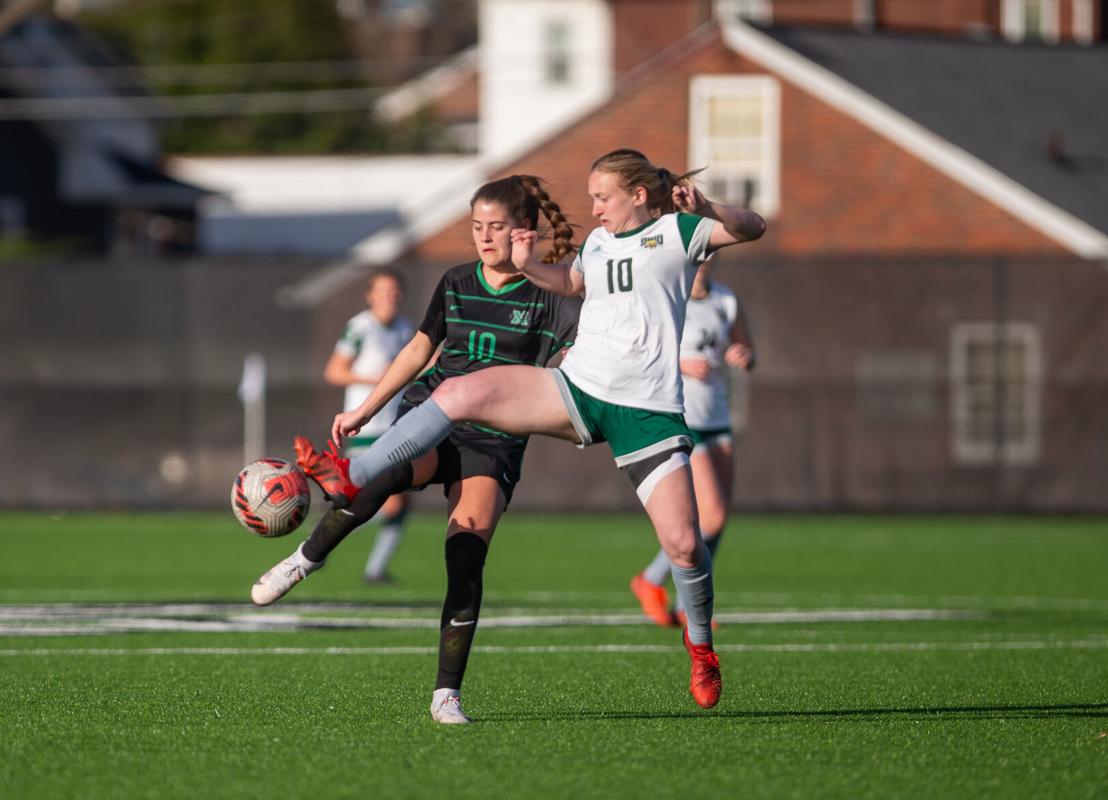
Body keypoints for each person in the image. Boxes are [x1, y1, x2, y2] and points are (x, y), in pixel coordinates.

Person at [295, 150, 767, 711]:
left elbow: (753, 227)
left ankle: (702, 647)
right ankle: (354, 475)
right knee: (458, 392)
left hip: (646, 410)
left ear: (638, 195)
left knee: (686, 546)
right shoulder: (596, 243)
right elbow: (569, 282)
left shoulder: (679, 232)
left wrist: (710, 206)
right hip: (577, 388)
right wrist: (526, 265)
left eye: (602, 197)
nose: (592, 209)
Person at [251, 174, 581, 725]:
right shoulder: (455, 281)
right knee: (384, 477)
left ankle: (445, 695)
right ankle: (304, 560)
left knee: (465, 554)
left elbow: (571, 370)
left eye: (496, 227)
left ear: (524, 232)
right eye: (477, 226)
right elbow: (419, 349)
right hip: (434, 417)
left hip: (494, 442)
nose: (484, 237)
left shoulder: (550, 295)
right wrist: (365, 411)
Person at [629, 253, 755, 627]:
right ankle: (651, 579)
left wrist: (743, 356)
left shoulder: (725, 300)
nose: (702, 262)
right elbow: (642, 351)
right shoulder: (670, 298)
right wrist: (683, 364)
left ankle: (687, 606)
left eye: (708, 255)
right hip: (684, 416)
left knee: (717, 518)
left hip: (718, 416)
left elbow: (748, 351)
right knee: (710, 517)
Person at [323, 269, 414, 584]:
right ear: (370, 296)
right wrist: (378, 381)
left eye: (394, 290)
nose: (389, 296)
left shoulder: (404, 329)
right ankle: (323, 537)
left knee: (399, 501)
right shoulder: (360, 328)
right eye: (382, 290)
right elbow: (334, 371)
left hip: (395, 425)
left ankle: (374, 569)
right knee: (385, 500)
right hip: (365, 425)